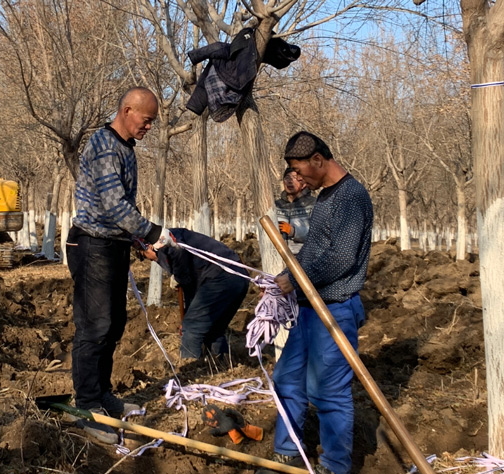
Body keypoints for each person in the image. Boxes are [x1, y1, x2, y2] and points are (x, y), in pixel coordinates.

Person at [65, 87, 174, 445]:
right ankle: (87, 406)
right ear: (127, 110)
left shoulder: (126, 149)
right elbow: (114, 205)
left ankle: (103, 393)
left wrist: (139, 242)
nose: (149, 127)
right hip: (92, 243)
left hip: (113, 245)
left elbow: (121, 206)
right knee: (94, 326)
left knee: (113, 324)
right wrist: (153, 231)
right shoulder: (105, 146)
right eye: (147, 120)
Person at [264, 131, 373, 474]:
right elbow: (312, 251)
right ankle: (286, 453)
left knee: (327, 392)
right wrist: (284, 279)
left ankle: (335, 467)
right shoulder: (325, 198)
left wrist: (294, 280)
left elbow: (341, 258)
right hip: (309, 306)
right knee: (287, 379)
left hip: (336, 309)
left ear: (318, 160)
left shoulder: (352, 197)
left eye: (301, 172)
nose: (298, 180)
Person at [134, 228, 249, 364]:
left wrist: (188, 318)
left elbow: (188, 283)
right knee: (213, 328)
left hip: (221, 277)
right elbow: (191, 285)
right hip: (239, 276)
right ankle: (222, 366)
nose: (148, 260)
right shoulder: (170, 238)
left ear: (148, 246)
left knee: (192, 327)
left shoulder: (168, 247)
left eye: (143, 256)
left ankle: (191, 370)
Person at [275, 167, 315, 254]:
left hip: (303, 258)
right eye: (287, 177)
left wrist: (293, 231)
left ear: (304, 183)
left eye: (294, 178)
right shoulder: (276, 206)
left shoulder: (313, 204)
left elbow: (318, 234)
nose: (290, 181)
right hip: (278, 258)